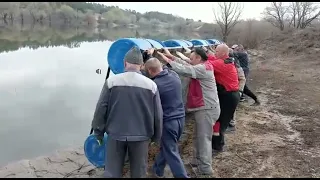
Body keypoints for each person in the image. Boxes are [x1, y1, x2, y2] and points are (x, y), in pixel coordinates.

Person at [91, 46, 163, 178]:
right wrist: (156, 137)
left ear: (125, 63)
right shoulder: (151, 85)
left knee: (111, 172)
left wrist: (98, 132)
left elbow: (101, 108)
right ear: (141, 66)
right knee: (139, 173)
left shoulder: (111, 82)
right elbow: (158, 115)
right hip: (141, 137)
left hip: (115, 135)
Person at [157, 47, 220, 176]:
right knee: (198, 137)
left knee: (204, 139)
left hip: (207, 108)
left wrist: (168, 62)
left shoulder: (204, 68)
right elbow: (186, 64)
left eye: (192, 58)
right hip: (204, 108)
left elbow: (185, 70)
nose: (189, 60)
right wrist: (172, 57)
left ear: (198, 58)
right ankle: (197, 161)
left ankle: (206, 168)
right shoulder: (201, 66)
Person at [143, 55, 189, 178]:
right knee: (168, 147)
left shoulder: (155, 85)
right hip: (180, 119)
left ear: (150, 71)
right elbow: (161, 67)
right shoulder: (174, 75)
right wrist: (150, 57)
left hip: (168, 123)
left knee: (171, 151)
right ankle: (157, 170)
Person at [208, 44, 240, 153]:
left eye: (216, 51)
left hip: (228, 96)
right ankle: (216, 144)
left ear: (223, 53)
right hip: (230, 95)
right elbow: (212, 58)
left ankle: (218, 146)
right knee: (219, 120)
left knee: (220, 121)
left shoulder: (221, 64)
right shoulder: (226, 61)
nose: (215, 53)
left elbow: (205, 65)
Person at [227, 48, 246, 132]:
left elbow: (242, 79)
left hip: (235, 90)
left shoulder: (236, 67)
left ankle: (232, 125)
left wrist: (240, 91)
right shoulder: (230, 64)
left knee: (232, 108)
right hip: (230, 90)